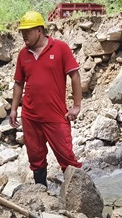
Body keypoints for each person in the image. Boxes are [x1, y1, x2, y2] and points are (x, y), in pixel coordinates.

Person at [8, 11, 83, 185]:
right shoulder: (23, 55)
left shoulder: (60, 48)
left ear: (40, 30)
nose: (24, 35)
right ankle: (41, 196)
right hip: (30, 117)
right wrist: (13, 109)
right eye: (22, 31)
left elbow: (75, 76)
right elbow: (19, 83)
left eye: (28, 31)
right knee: (36, 159)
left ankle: (80, 198)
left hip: (56, 116)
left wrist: (76, 106)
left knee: (68, 159)